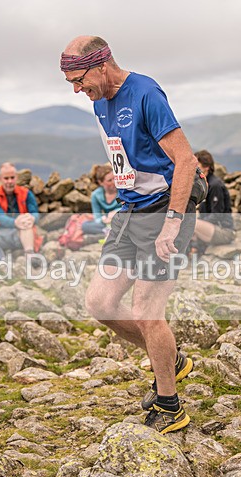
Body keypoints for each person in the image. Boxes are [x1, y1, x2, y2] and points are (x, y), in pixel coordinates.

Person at [61, 35, 201, 434]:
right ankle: (170, 359)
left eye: (79, 80)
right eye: (70, 83)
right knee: (100, 302)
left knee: (146, 311)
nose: (77, 90)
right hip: (130, 210)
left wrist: (172, 222)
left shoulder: (145, 93)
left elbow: (186, 161)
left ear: (102, 65)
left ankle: (170, 405)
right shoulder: (99, 101)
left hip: (165, 209)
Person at [0, 162, 43, 254]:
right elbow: (0, 217)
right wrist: (15, 223)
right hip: (1, 233)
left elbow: (35, 213)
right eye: (6, 178)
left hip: (23, 231)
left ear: (16, 178)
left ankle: (29, 254)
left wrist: (32, 218)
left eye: (12, 178)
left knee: (26, 225)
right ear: (0, 179)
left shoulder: (26, 194)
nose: (9, 181)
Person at [192, 150, 235, 255]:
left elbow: (217, 215)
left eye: (197, 165)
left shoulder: (215, 185)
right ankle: (194, 252)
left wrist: (200, 222)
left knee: (189, 223)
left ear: (206, 167)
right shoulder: (204, 184)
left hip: (224, 231)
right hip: (211, 229)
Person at [82, 164, 120, 237]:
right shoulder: (96, 195)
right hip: (106, 222)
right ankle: (109, 231)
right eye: (109, 180)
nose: (114, 182)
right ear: (101, 182)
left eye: (115, 178)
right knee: (85, 225)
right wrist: (104, 219)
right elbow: (97, 216)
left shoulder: (121, 192)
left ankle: (109, 232)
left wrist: (116, 212)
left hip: (120, 219)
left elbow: (126, 206)